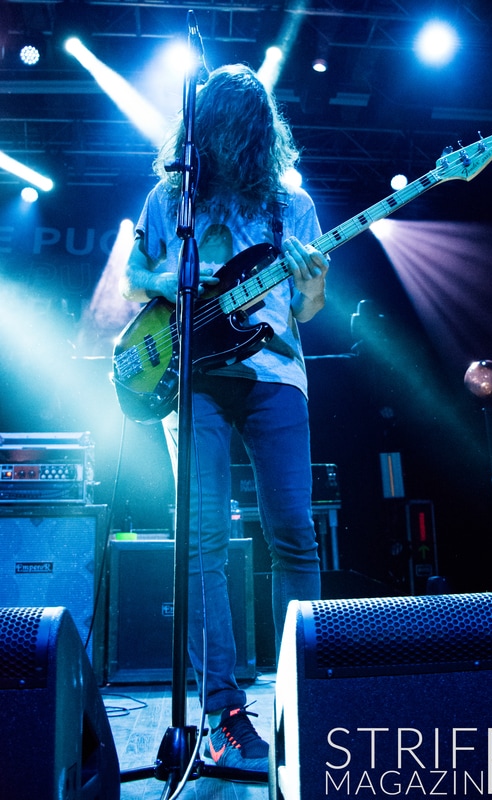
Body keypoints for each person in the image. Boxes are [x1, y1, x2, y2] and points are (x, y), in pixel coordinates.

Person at [120, 64, 329, 772]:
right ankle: (222, 713)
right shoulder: (171, 197)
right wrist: (169, 282)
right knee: (203, 537)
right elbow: (134, 277)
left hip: (275, 374)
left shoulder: (292, 204)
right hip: (195, 376)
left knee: (293, 532)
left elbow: (307, 310)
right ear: (202, 128)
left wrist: (311, 281)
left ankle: (302, 697)